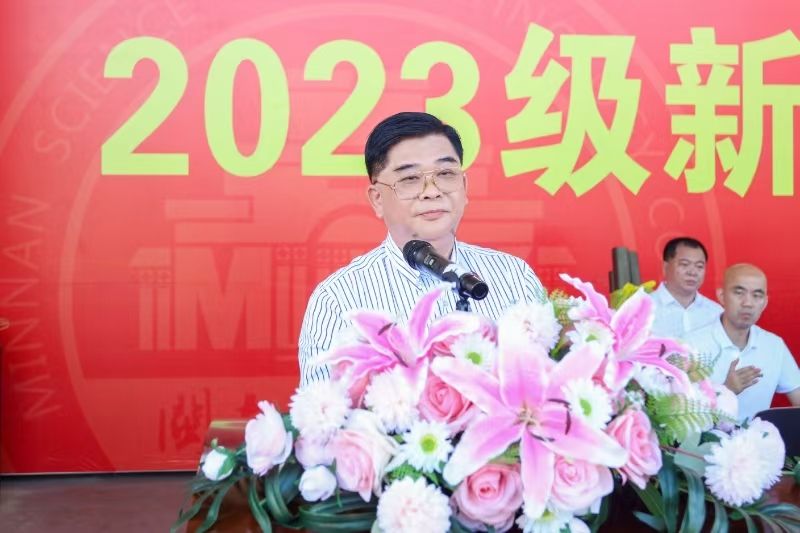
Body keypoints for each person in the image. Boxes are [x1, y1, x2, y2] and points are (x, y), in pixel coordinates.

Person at [297, 112, 547, 386]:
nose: (432, 191)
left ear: (464, 187)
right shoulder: (338, 299)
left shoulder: (514, 276)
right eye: (410, 179)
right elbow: (324, 407)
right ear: (377, 199)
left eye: (445, 174)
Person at [682, 263, 800, 422]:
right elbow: (675, 417)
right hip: (705, 438)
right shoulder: (689, 345)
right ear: (721, 296)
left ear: (765, 302)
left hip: (760, 437)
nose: (748, 303)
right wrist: (726, 391)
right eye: (739, 293)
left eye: (756, 295)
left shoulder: (774, 345)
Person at [650, 237, 722, 338]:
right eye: (684, 264)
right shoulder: (643, 308)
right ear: (665, 267)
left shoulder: (716, 313)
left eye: (699, 266)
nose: (692, 272)